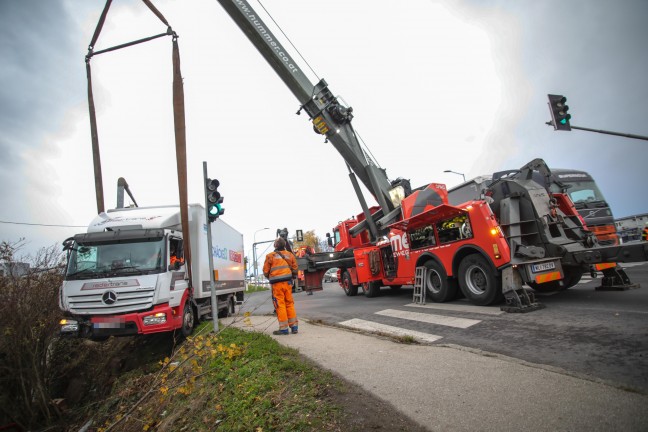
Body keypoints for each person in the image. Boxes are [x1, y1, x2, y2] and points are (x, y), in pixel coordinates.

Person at [263, 237, 299, 335]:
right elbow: (295, 269)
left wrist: (270, 277)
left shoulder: (270, 256)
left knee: (280, 304)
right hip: (288, 283)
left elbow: (266, 271)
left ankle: (284, 328)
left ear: (275, 245)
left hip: (277, 284)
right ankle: (294, 327)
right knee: (289, 303)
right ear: (284, 245)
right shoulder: (290, 255)